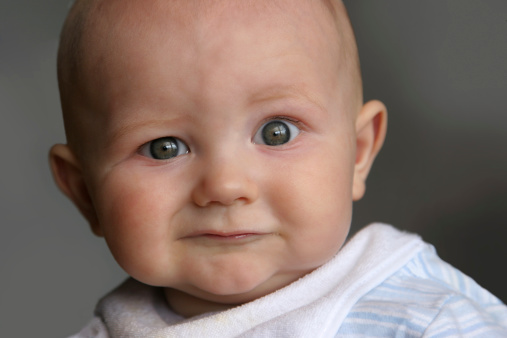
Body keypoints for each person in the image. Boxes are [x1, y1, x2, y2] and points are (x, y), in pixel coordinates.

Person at [49, 0, 507, 336]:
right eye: (165, 147)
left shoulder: (429, 321)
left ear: (358, 152)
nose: (225, 187)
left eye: (277, 133)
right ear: (85, 193)